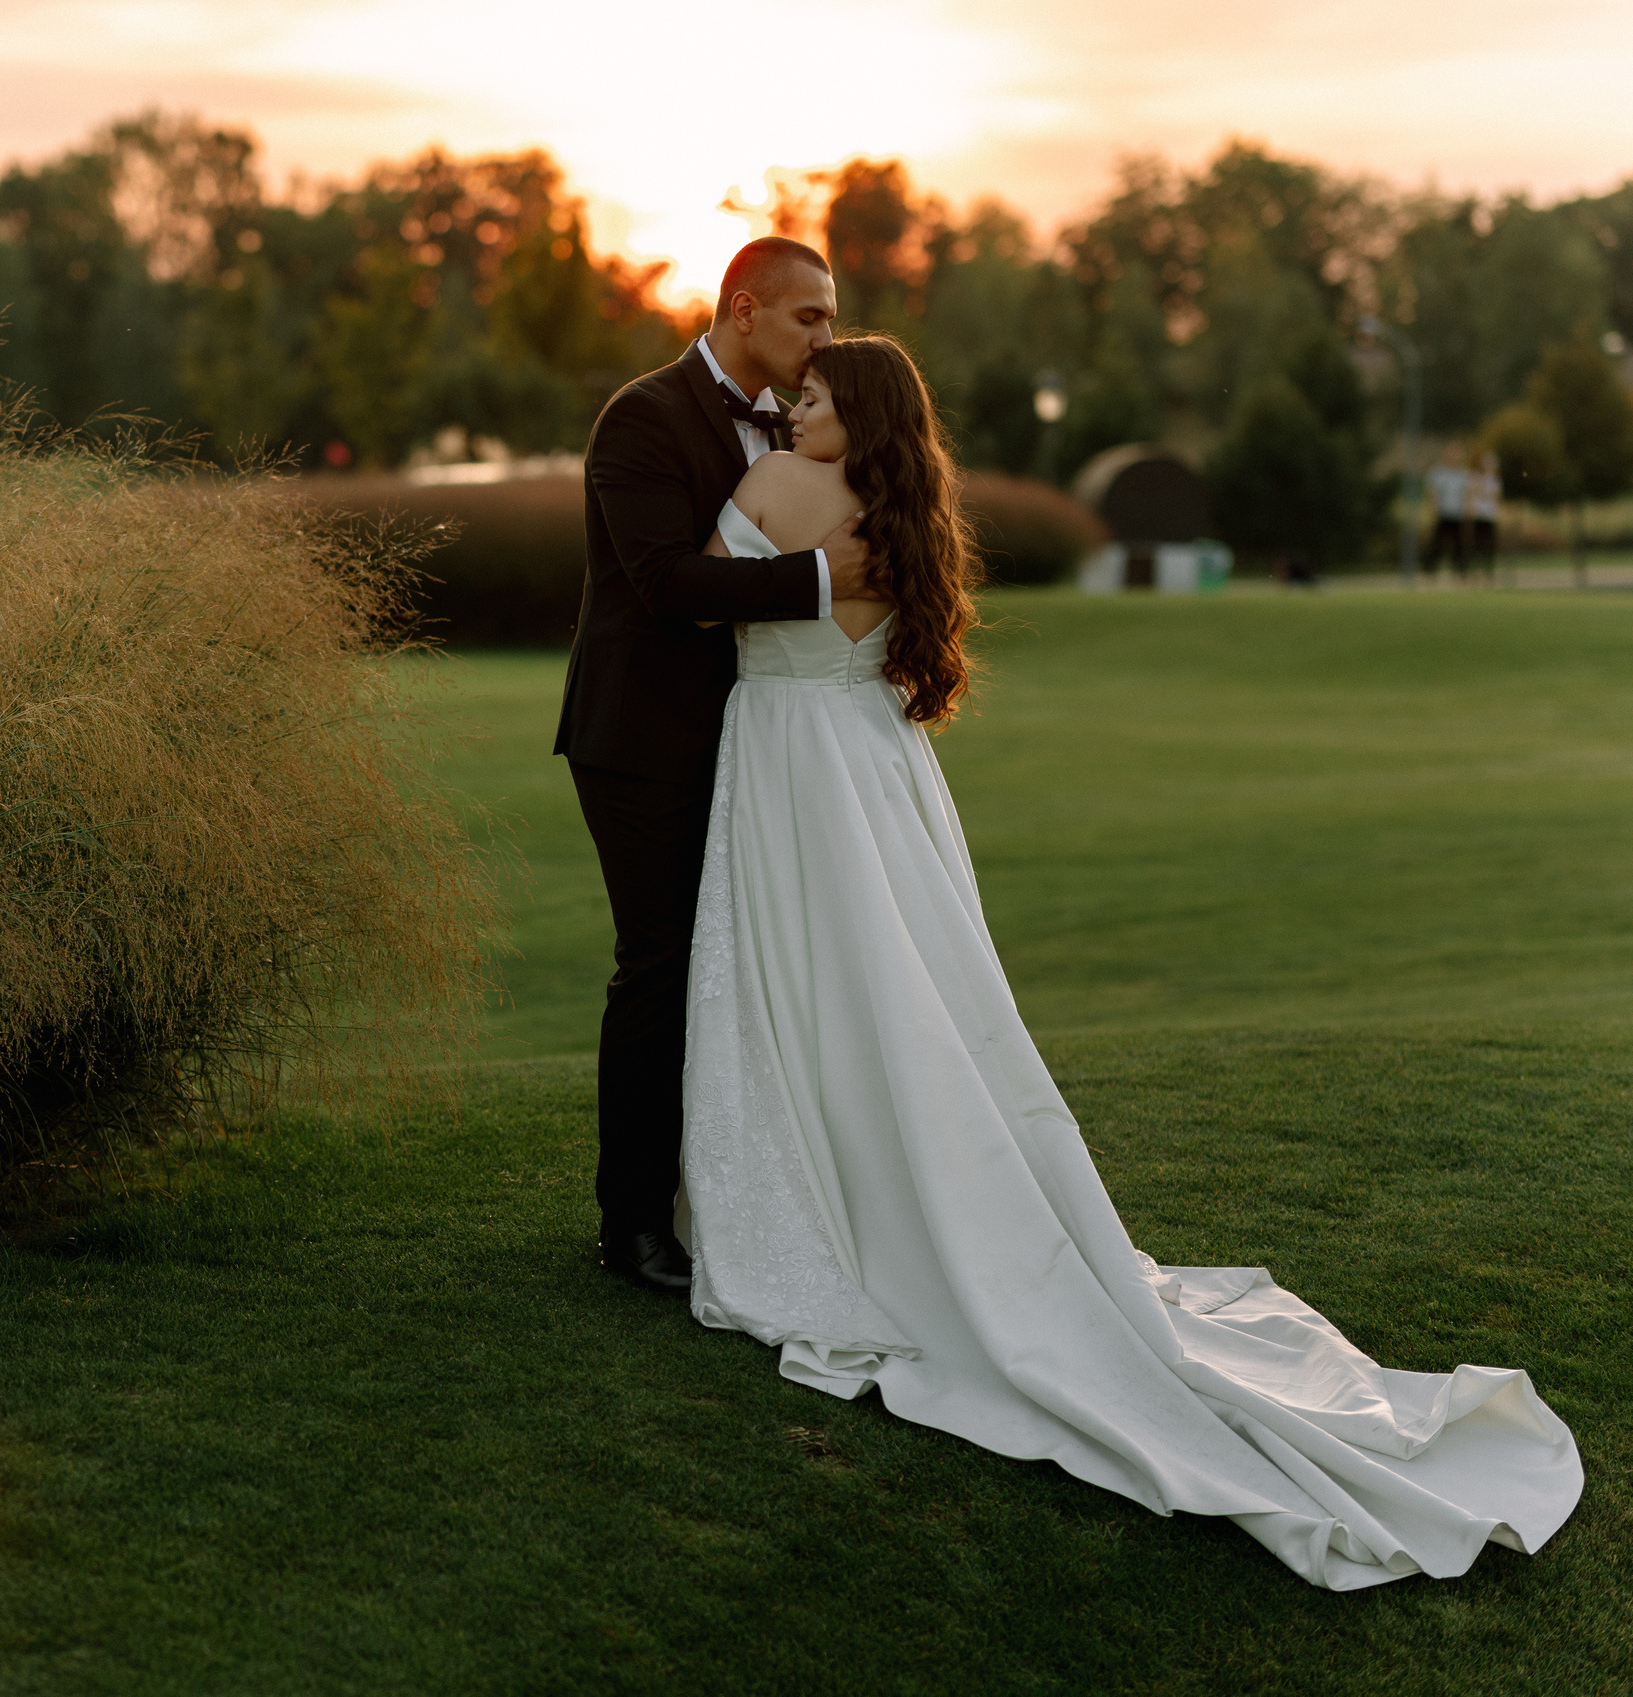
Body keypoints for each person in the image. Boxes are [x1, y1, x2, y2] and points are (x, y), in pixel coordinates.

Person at [678, 331, 1583, 1590]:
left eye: (816, 398)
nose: (791, 412)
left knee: (813, 986)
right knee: (902, 990)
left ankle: (829, 1200)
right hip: (876, 769)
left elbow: (690, 594)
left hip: (788, 766)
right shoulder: (903, 513)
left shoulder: (773, 492)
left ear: (860, 410)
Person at [554, 237, 881, 1294]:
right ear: (744, 310)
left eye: (829, 321)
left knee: (752, 962)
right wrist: (820, 580)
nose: (823, 338)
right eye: (808, 319)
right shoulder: (643, 418)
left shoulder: (805, 429)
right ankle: (632, 1224)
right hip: (642, 740)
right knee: (659, 966)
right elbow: (662, 584)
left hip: (763, 742)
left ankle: (746, 1198)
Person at [1425, 443, 1471, 583]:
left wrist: (1466, 511)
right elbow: (1433, 494)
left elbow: (1466, 495)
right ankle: (1430, 572)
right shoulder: (1438, 473)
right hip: (1443, 513)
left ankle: (1460, 573)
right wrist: (1434, 510)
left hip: (1457, 514)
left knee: (1459, 546)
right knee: (1436, 545)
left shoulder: (1463, 474)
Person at [1468, 448, 1503, 586]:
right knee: (1478, 544)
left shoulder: (1495, 481)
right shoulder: (1477, 478)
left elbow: (1496, 497)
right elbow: (1472, 494)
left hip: (1490, 516)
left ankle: (1488, 572)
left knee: (1489, 545)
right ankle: (1476, 572)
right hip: (1479, 516)